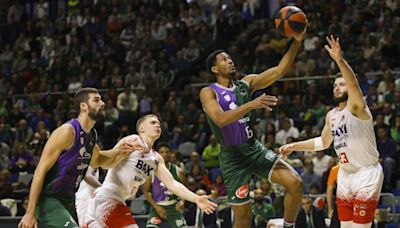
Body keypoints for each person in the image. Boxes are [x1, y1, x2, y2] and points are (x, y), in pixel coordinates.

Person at [199, 28, 306, 227]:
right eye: (224, 59)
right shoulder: (208, 92)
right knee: (244, 219)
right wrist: (250, 105)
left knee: (296, 183)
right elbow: (221, 120)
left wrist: (297, 42)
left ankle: (288, 226)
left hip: (253, 149)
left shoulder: (245, 84)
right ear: (214, 69)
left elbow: (279, 71)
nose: (230, 61)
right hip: (233, 158)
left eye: (230, 58)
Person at [280, 36, 384, 228]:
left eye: (341, 84)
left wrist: (339, 60)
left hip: (366, 173)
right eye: (335, 85)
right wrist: (295, 145)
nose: (337, 87)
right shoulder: (331, 115)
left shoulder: (357, 107)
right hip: (345, 174)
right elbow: (323, 142)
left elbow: (353, 84)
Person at [18, 88, 141, 228]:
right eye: (96, 100)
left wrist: (119, 151)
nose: (102, 103)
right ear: (83, 106)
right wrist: (30, 212)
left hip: (69, 199)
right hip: (49, 198)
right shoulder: (67, 131)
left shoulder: (91, 134)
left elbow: (97, 160)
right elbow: (40, 171)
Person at [85, 114, 217, 227]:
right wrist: (119, 153)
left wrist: (196, 199)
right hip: (106, 198)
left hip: (118, 200)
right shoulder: (133, 140)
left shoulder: (156, 158)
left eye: (159, 123)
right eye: (153, 122)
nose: (157, 125)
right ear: (142, 129)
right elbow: (104, 164)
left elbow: (173, 184)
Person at [142, 142, 187, 228]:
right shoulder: (151, 171)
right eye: (161, 152)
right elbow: (145, 190)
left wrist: (182, 201)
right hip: (157, 206)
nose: (164, 154)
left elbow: (184, 189)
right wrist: (156, 207)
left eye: (167, 152)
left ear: (171, 154)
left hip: (173, 207)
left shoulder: (178, 171)